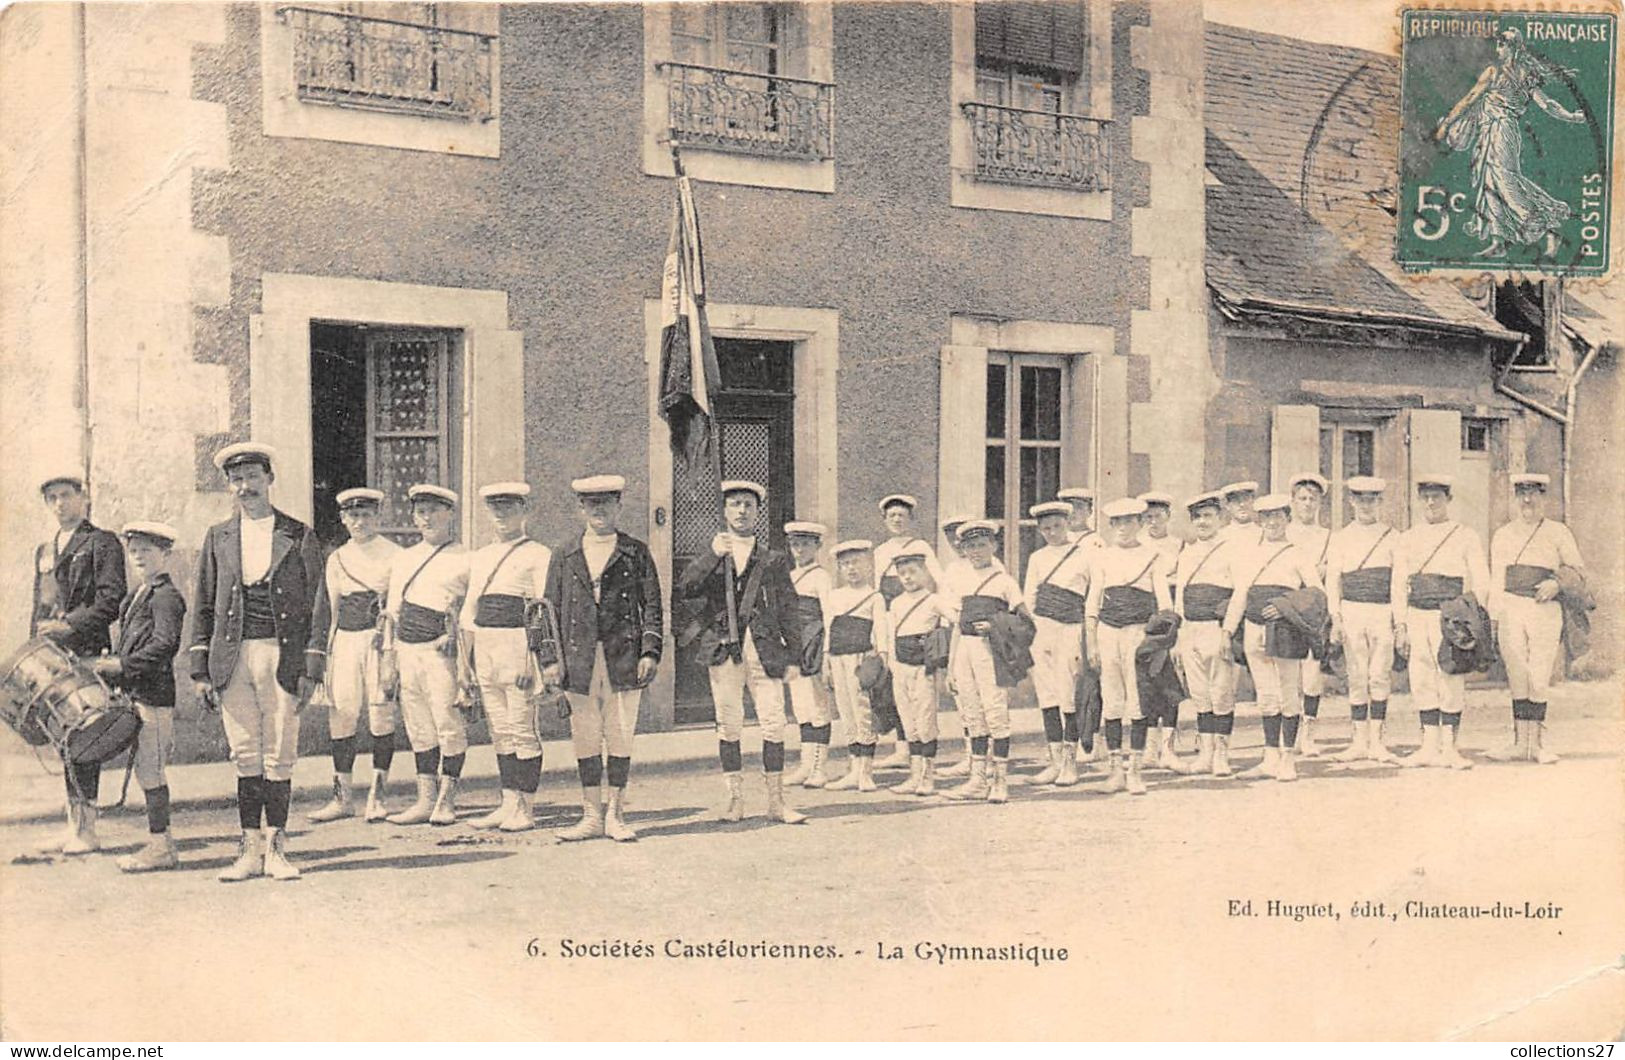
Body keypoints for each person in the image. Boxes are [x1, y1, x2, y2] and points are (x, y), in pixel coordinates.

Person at [189, 443, 324, 882]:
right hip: (232, 658)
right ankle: (249, 850)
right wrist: (199, 669)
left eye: (252, 477)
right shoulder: (218, 536)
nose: (245, 487)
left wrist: (311, 666)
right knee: (245, 754)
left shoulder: (298, 534)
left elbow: (318, 607)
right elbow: (204, 604)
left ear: (270, 479)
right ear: (230, 485)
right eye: (236, 479)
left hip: (281, 656)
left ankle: (278, 849)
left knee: (279, 754)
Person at [675, 479, 807, 825]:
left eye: (748, 504)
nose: (742, 510)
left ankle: (776, 802)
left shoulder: (774, 559)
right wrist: (712, 555)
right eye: (735, 504)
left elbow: (789, 609)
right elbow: (686, 587)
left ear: (757, 512)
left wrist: (795, 656)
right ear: (725, 510)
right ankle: (735, 801)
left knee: (774, 723)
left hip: (764, 652)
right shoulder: (715, 553)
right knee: (729, 723)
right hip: (722, 649)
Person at [540, 475, 663, 842]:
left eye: (607, 503)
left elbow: (653, 605)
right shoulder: (564, 554)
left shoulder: (636, 552)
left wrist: (650, 650)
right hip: (578, 660)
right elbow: (548, 611)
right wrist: (550, 661)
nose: (599, 510)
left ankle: (617, 815)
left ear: (618, 507)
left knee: (621, 736)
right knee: (586, 738)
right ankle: (591, 815)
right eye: (591, 504)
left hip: (623, 657)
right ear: (581, 509)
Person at [30, 470, 125, 855]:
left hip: (86, 652)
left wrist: (66, 627)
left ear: (83, 497)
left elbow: (111, 600)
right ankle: (74, 828)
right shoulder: (45, 549)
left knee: (85, 737)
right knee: (64, 741)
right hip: (55, 658)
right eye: (52, 498)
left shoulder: (101, 542)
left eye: (66, 496)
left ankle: (89, 832)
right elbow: (40, 606)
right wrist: (36, 646)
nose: (60, 505)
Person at [1434, 27, 1587, 259]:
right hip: (1492, 131)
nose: (1498, 49)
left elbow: (1469, 99)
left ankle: (1546, 230)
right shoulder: (1525, 75)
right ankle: (1499, 240)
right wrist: (1571, 116)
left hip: (1501, 130)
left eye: (1502, 44)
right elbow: (1548, 105)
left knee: (1505, 181)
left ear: (1513, 47)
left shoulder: (1497, 73)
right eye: (1498, 44)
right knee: (1489, 183)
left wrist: (1446, 124)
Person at [90, 522, 186, 872]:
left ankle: (162, 847)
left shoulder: (165, 596)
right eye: (134, 551)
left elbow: (165, 645)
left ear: (165, 553)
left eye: (148, 549)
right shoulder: (138, 595)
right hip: (137, 695)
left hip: (155, 697)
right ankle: (162, 844)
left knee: (152, 772)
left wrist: (122, 665)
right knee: (148, 771)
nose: (139, 556)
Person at [462, 483, 552, 832]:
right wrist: (467, 664)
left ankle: (526, 809)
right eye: (496, 509)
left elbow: (541, 611)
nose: (501, 515)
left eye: (509, 508)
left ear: (524, 511)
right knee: (500, 731)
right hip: (486, 647)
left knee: (522, 729)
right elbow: (469, 612)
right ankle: (508, 802)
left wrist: (534, 662)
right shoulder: (480, 556)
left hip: (518, 646)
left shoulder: (537, 554)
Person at [307, 488, 401, 823]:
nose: (360, 522)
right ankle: (342, 796)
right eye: (353, 516)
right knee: (342, 714)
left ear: (378, 517)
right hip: (344, 642)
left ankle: (378, 794)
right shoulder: (337, 558)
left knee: (381, 716)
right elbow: (327, 610)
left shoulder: (394, 554)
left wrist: (391, 651)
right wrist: (323, 655)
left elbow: (396, 608)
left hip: (379, 642)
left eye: (366, 515)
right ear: (344, 519)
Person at [379, 484, 470, 826]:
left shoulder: (465, 558)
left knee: (447, 723)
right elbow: (391, 612)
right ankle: (425, 799)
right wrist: (389, 657)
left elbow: (470, 611)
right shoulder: (403, 558)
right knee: (418, 725)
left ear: (450, 514)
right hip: (407, 649)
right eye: (421, 511)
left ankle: (447, 800)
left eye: (435, 510)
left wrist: (454, 633)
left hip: (440, 651)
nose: (427, 518)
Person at [1222, 493, 1323, 782]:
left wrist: (1284, 607)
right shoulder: (1249, 554)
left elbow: (1316, 593)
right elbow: (1240, 594)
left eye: (1279, 516)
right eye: (1267, 517)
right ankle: (1269, 757)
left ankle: (1288, 758)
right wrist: (1228, 631)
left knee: (1288, 693)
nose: (1273, 523)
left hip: (1286, 631)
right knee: (1266, 696)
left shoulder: (1297, 553)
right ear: (1260, 520)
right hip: (1254, 628)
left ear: (1287, 519)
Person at [1485, 473, 1584, 765]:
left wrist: (1557, 584)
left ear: (1544, 497)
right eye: (1522, 494)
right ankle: (1519, 743)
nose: (1527, 500)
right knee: (1517, 674)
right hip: (1511, 607)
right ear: (1515, 498)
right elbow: (1496, 580)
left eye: (1534, 494)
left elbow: (1577, 569)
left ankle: (1537, 744)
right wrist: (1494, 618)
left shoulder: (1558, 532)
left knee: (1539, 674)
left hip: (1544, 609)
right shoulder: (1503, 534)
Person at [1394, 474, 1490, 769]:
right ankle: (1428, 746)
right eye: (1426, 497)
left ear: (1448, 499)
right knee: (1421, 678)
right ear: (1419, 500)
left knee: (1449, 676)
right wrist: (1401, 625)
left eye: (1437, 497)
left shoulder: (1465, 534)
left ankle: (1449, 748)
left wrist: (1471, 616)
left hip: (1449, 617)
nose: (1431, 503)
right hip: (1417, 613)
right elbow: (1398, 583)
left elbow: (1482, 579)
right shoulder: (1408, 538)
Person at [1084, 498, 1172, 795]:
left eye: (1129, 522)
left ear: (1140, 523)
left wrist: (1158, 643)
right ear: (1111, 526)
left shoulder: (1153, 555)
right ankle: (1115, 771)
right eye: (1117, 523)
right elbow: (1092, 603)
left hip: (1138, 633)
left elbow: (1165, 603)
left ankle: (1134, 771)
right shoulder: (1102, 557)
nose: (1123, 528)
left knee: (1138, 699)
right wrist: (1092, 643)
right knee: (1111, 699)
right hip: (1108, 633)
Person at [943, 520, 1034, 803]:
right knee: (972, 713)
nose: (976, 552)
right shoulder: (961, 578)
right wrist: (950, 666)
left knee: (995, 712)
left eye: (981, 545)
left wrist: (995, 625)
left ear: (993, 546)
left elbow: (1025, 622)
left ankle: (1000, 782)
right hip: (965, 651)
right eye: (970, 546)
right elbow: (958, 624)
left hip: (990, 651)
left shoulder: (1004, 581)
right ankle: (977, 780)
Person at [1324, 476, 1402, 765]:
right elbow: (1333, 581)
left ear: (1379, 502)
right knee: (1356, 677)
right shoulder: (1341, 537)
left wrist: (1400, 621)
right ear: (1351, 502)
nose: (1366, 505)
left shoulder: (1393, 536)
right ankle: (1358, 742)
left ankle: (1377, 742)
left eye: (1372, 499)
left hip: (1382, 612)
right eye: (1360, 499)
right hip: (1352, 611)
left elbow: (1398, 582)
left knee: (1379, 676)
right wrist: (1336, 618)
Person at [871, 495, 941, 769]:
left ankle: (918, 752)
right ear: (885, 520)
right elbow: (876, 589)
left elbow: (937, 580)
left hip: (916, 621)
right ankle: (901, 748)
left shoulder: (921, 546)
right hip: (890, 619)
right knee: (891, 687)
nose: (897, 520)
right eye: (892, 516)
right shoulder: (879, 551)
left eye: (902, 515)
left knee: (918, 694)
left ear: (910, 519)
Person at [1172, 492, 1239, 776]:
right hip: (1191, 629)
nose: (1202, 522)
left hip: (1217, 629)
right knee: (1200, 694)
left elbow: (1238, 596)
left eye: (1208, 516)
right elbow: (1180, 599)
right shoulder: (1187, 553)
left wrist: (1228, 632)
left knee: (1221, 692)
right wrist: (1177, 636)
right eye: (1197, 517)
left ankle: (1222, 754)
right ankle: (1206, 753)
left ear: (1220, 518)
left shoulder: (1231, 550)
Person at [1022, 501, 1088, 787]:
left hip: (1071, 629)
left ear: (1068, 523)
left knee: (1068, 695)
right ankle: (1055, 761)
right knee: (1047, 696)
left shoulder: (1085, 555)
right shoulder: (1037, 558)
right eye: (1046, 528)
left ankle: (1071, 765)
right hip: (1043, 629)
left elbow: (1092, 595)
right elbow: (1030, 597)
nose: (1052, 532)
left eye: (1057, 526)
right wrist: (1031, 633)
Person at [823, 540, 892, 793]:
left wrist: (881, 657)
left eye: (856, 563)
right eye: (846, 564)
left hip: (860, 659)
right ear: (839, 569)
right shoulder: (835, 595)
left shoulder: (874, 596)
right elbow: (829, 630)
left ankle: (866, 772)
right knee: (846, 711)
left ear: (868, 566)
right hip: (838, 659)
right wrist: (826, 661)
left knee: (862, 711)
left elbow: (881, 630)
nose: (851, 569)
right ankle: (853, 769)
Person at [887, 544, 951, 796]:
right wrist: (892, 665)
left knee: (925, 720)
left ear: (924, 572)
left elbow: (952, 620)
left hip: (923, 668)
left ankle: (928, 776)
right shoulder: (896, 603)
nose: (908, 578)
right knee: (908, 720)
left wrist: (937, 642)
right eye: (903, 573)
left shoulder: (933, 600)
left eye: (913, 571)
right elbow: (890, 634)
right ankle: (914, 776)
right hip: (900, 666)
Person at [782, 522, 835, 787]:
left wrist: (826, 653)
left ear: (817, 546)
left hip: (814, 644)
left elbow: (830, 615)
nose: (799, 549)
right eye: (795, 544)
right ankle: (805, 765)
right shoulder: (790, 576)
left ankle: (819, 767)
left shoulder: (820, 577)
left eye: (805, 544)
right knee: (801, 707)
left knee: (817, 707)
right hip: (794, 646)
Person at [1138, 491, 1186, 769]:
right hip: (1145, 615)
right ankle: (1148, 748)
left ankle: (1168, 749)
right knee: (1146, 683)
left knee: (1168, 683)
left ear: (1169, 516)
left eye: (1158, 516)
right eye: (1148, 517)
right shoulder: (1139, 544)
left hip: (1170, 617)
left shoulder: (1180, 546)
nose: (1153, 522)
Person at [1285, 473, 1332, 757]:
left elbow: (1332, 572)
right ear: (1292, 502)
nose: (1307, 504)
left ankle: (1308, 734)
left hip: (1314, 611)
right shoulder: (1283, 532)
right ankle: (1285, 735)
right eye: (1302, 498)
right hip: (1288, 609)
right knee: (1286, 674)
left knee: (1312, 677)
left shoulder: (1328, 537)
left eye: (1313, 499)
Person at [1218, 481, 1262, 546]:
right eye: (1236, 500)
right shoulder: (1221, 536)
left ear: (1253, 502)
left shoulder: (1262, 534)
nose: (1242, 504)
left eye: (1245, 499)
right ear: (1227, 505)